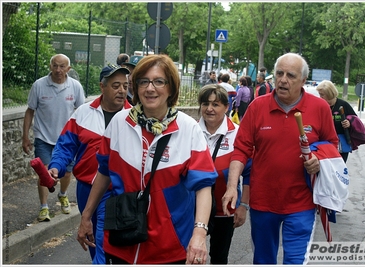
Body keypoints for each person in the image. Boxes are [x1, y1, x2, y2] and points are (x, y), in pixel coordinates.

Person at [77, 54, 218, 264]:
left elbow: (203, 187)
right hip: (122, 240)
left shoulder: (189, 129)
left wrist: (199, 234)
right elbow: (104, 171)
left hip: (170, 246)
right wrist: (86, 216)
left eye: (159, 81)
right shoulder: (119, 122)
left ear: (171, 88)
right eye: (143, 81)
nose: (150, 88)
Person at [222, 53, 338, 264]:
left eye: (291, 75)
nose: (283, 79)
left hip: (302, 202)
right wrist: (232, 187)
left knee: (295, 261)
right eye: (279, 73)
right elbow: (240, 149)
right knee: (264, 260)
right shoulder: (258, 106)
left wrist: (318, 159)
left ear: (303, 81)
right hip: (263, 201)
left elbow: (332, 146)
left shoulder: (319, 108)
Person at [47, 65, 131, 263]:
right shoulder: (83, 113)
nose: (122, 91)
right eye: (116, 85)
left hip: (116, 190)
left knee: (102, 239)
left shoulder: (134, 117)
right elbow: (65, 146)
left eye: (126, 86)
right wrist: (56, 167)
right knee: (91, 236)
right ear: (103, 87)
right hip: (86, 188)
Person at [22, 54, 85, 222]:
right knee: (44, 173)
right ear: (50, 67)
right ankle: (44, 207)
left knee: (66, 173)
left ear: (68, 69)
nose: (58, 70)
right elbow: (30, 111)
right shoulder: (39, 85)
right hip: (44, 137)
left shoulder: (75, 86)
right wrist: (25, 136)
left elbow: (82, 113)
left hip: (67, 140)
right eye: (55, 66)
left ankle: (63, 194)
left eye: (62, 66)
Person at [197, 84, 251, 264]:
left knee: (219, 258)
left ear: (226, 107)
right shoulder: (190, 131)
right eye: (205, 104)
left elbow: (250, 173)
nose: (209, 109)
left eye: (215, 104)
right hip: (193, 211)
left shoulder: (238, 133)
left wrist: (243, 205)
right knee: (191, 255)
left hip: (224, 211)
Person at [316, 80, 357, 162]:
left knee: (339, 168)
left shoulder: (343, 105)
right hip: (324, 142)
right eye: (319, 94)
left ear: (329, 93)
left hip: (341, 143)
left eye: (322, 94)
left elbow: (355, 120)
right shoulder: (319, 105)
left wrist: (349, 123)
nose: (320, 97)